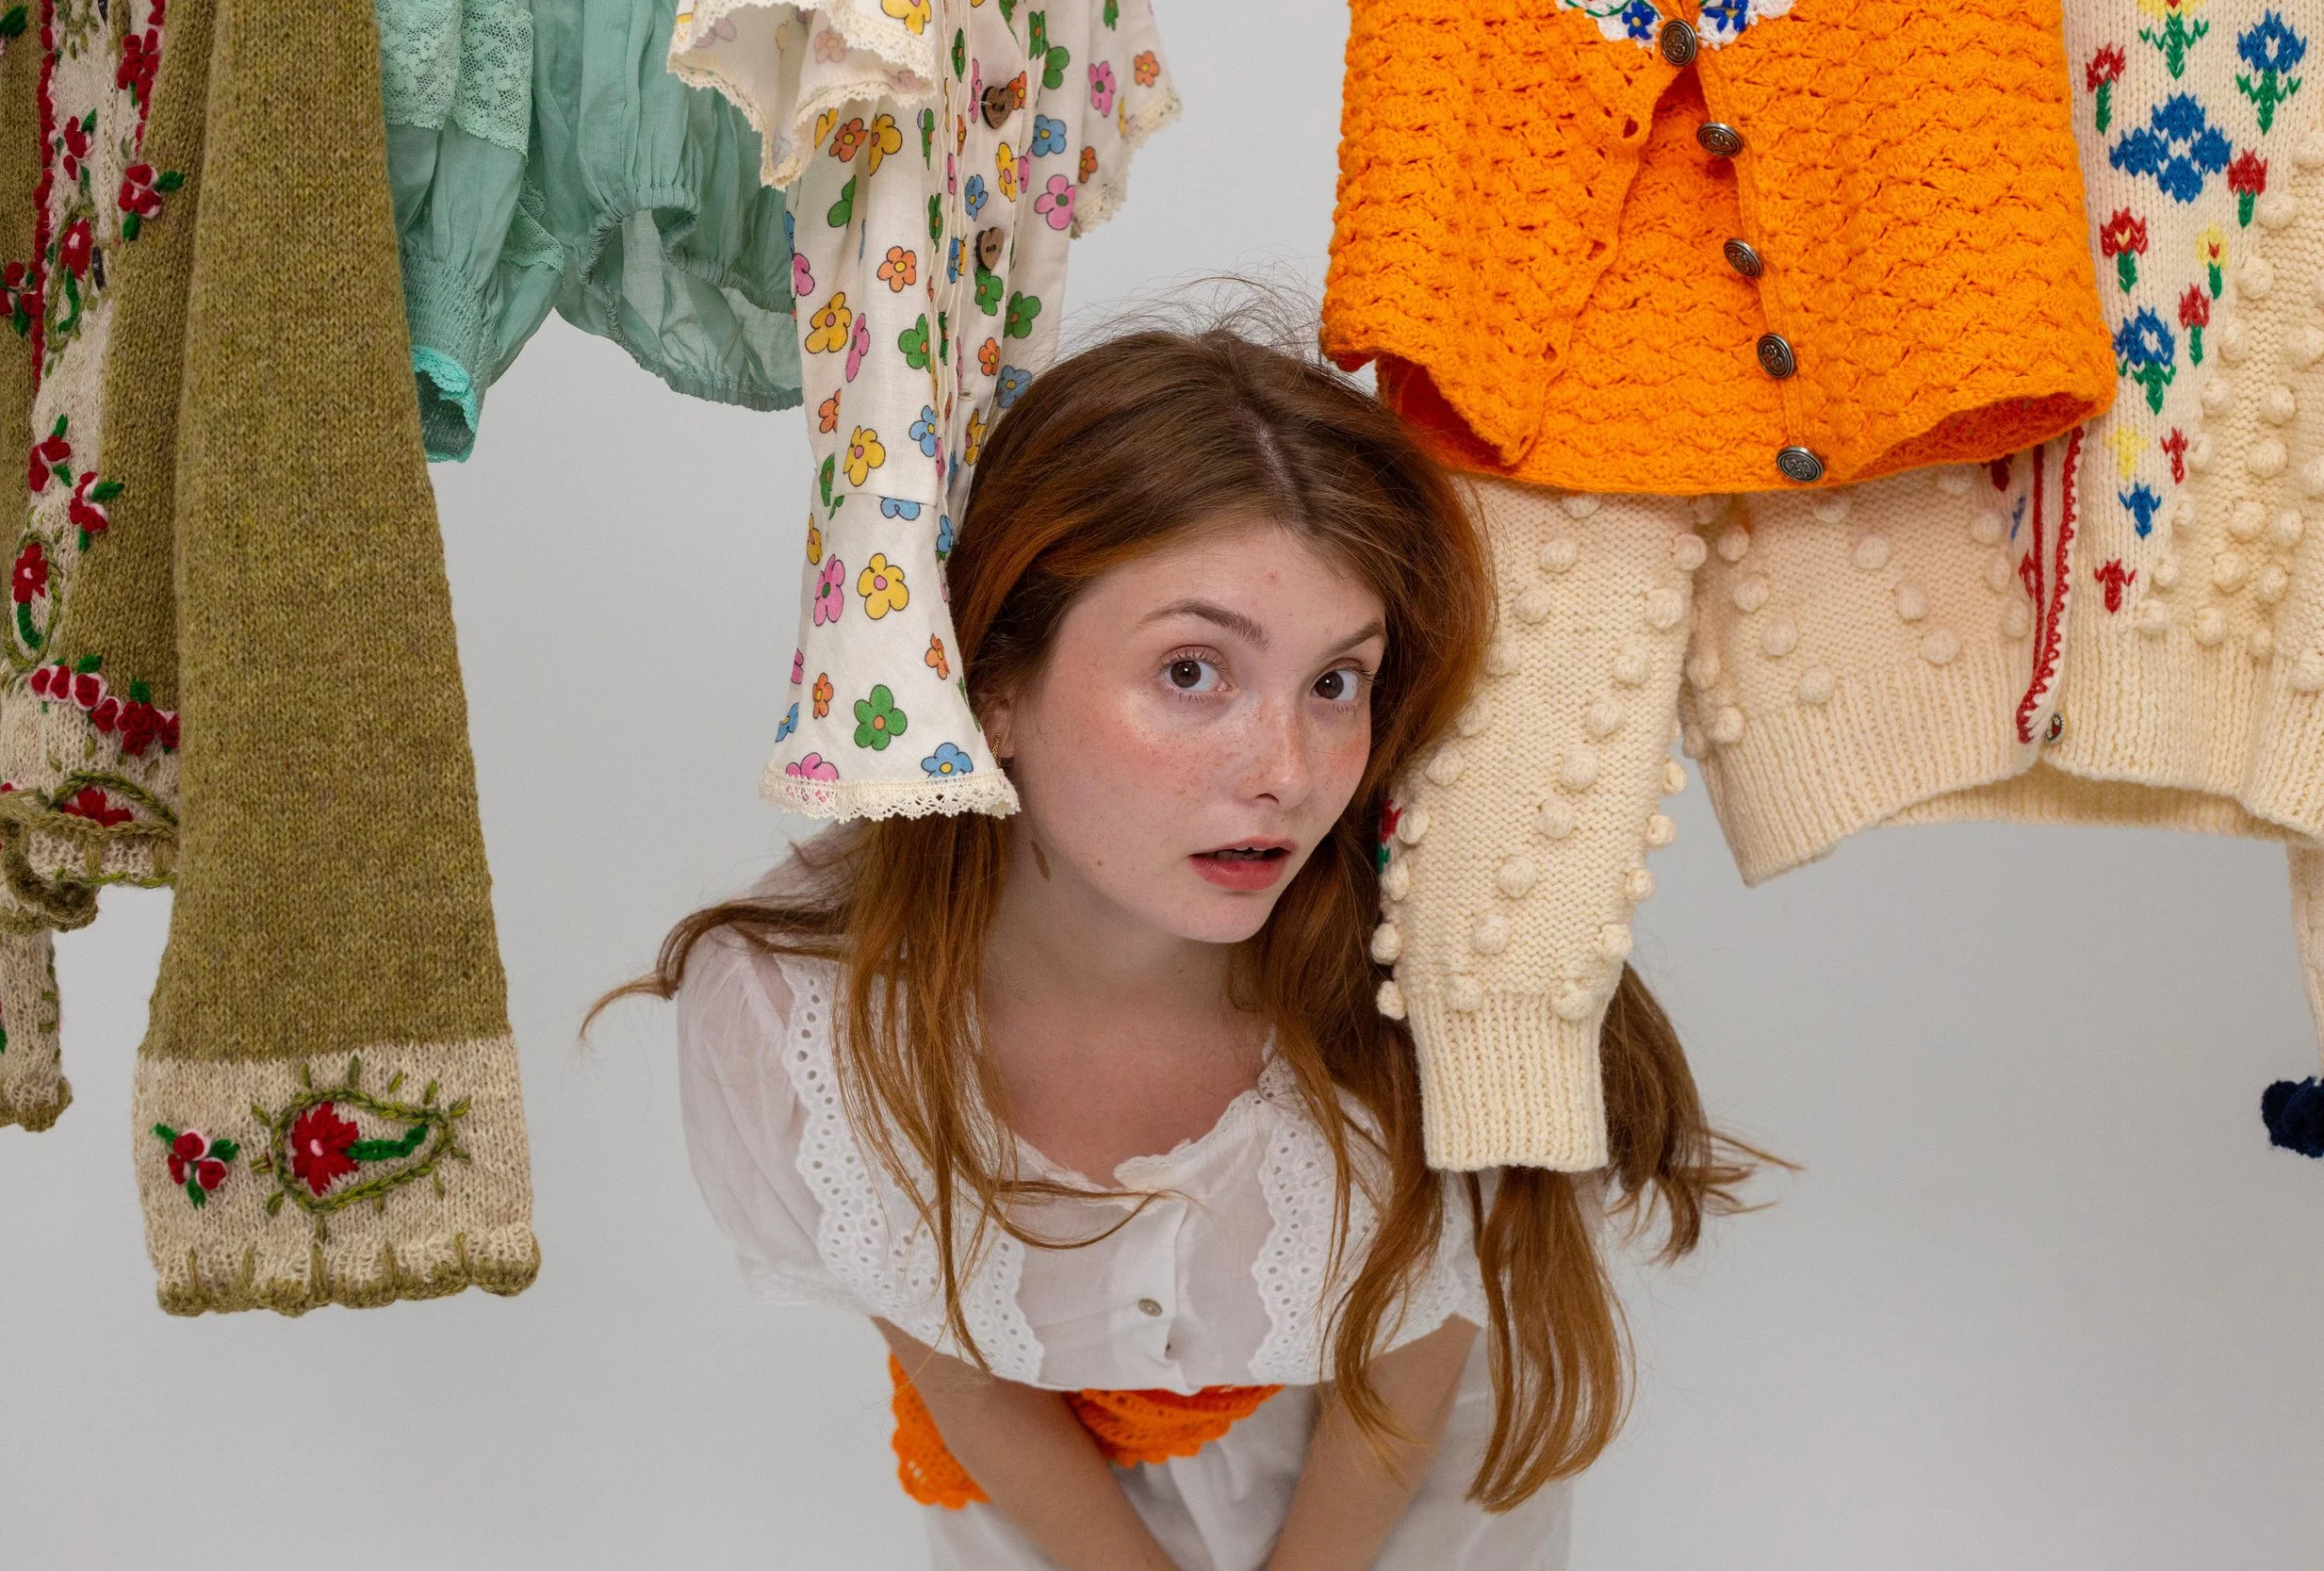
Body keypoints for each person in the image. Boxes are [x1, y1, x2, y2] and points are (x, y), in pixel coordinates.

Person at [615, 323, 1761, 1571]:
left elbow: (1413, 1357)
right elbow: (947, 1343)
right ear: (993, 682)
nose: (1286, 774)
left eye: (1336, 682)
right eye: (1193, 670)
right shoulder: (803, 1021)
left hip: (1399, 1513)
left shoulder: (1443, 967)